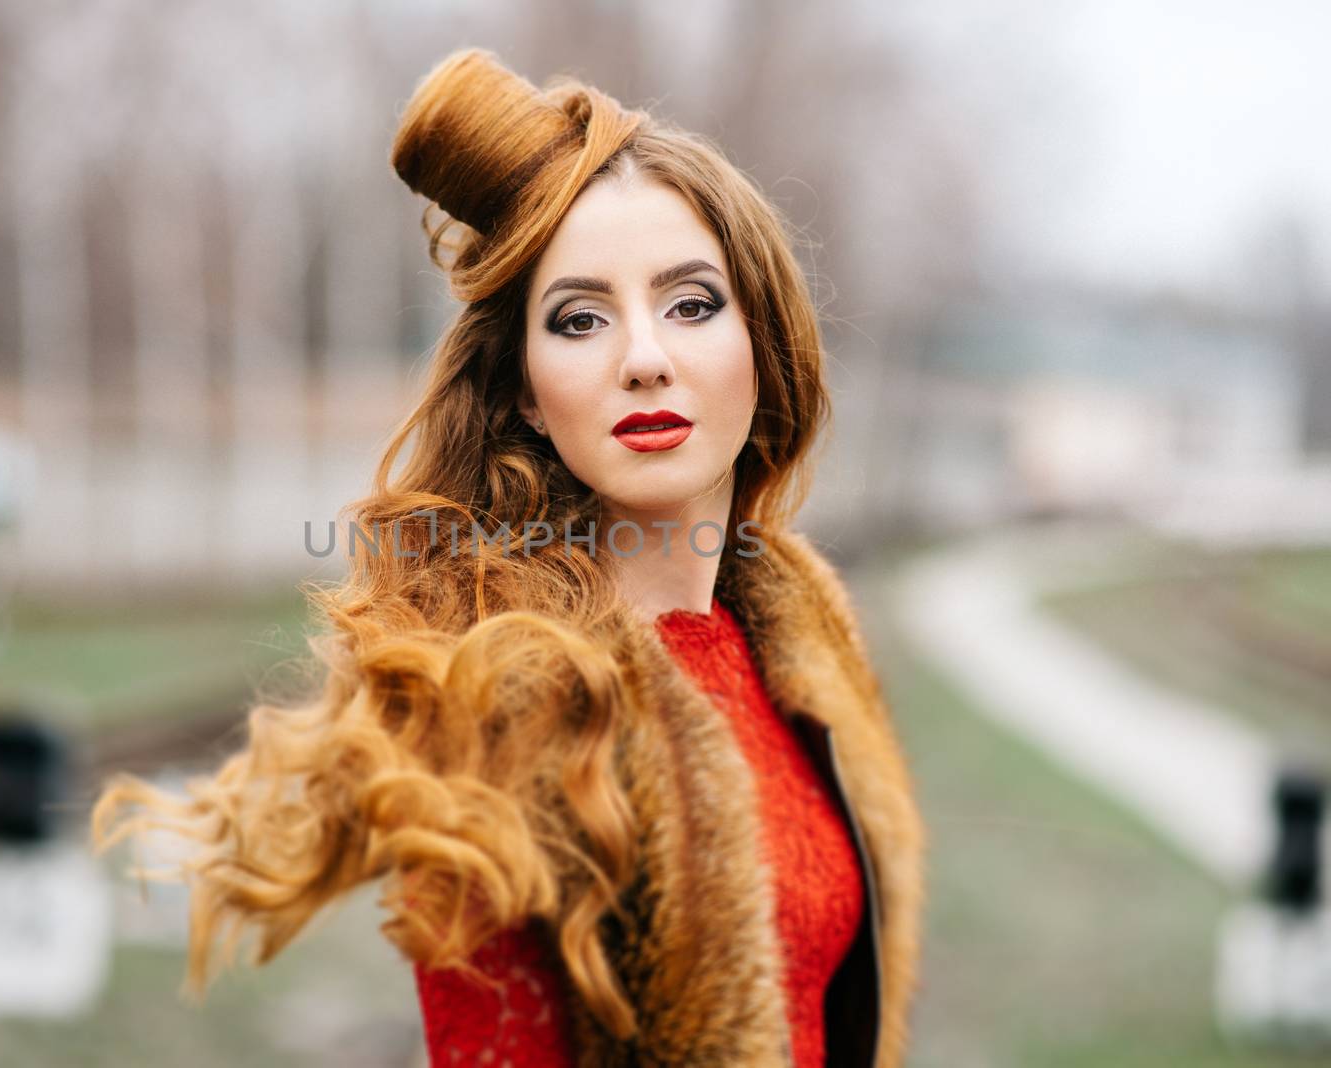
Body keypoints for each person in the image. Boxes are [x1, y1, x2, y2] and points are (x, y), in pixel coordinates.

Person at [90, 47, 926, 1068]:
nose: (644, 356)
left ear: (763, 336)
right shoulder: (512, 711)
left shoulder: (798, 637)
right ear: (527, 389)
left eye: (691, 303)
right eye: (579, 319)